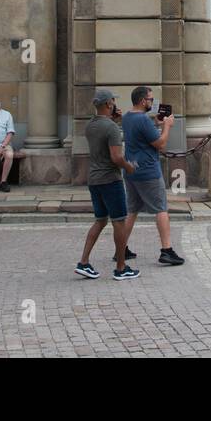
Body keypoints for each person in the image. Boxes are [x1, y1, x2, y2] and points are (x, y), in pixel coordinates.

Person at [75, 89, 139, 281]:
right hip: (110, 179)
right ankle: (121, 267)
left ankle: (84, 262)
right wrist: (129, 168)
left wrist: (115, 122)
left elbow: (102, 141)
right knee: (119, 221)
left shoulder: (91, 125)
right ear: (108, 104)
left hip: (94, 179)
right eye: (112, 101)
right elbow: (116, 157)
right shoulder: (110, 128)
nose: (114, 104)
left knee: (100, 220)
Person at [121, 86, 185, 266]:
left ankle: (121, 248)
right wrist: (167, 126)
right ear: (142, 101)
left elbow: (141, 134)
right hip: (148, 171)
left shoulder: (127, 117)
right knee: (161, 209)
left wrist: (155, 124)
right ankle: (167, 251)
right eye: (150, 100)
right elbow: (161, 144)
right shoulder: (143, 120)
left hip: (130, 170)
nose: (152, 102)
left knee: (131, 211)